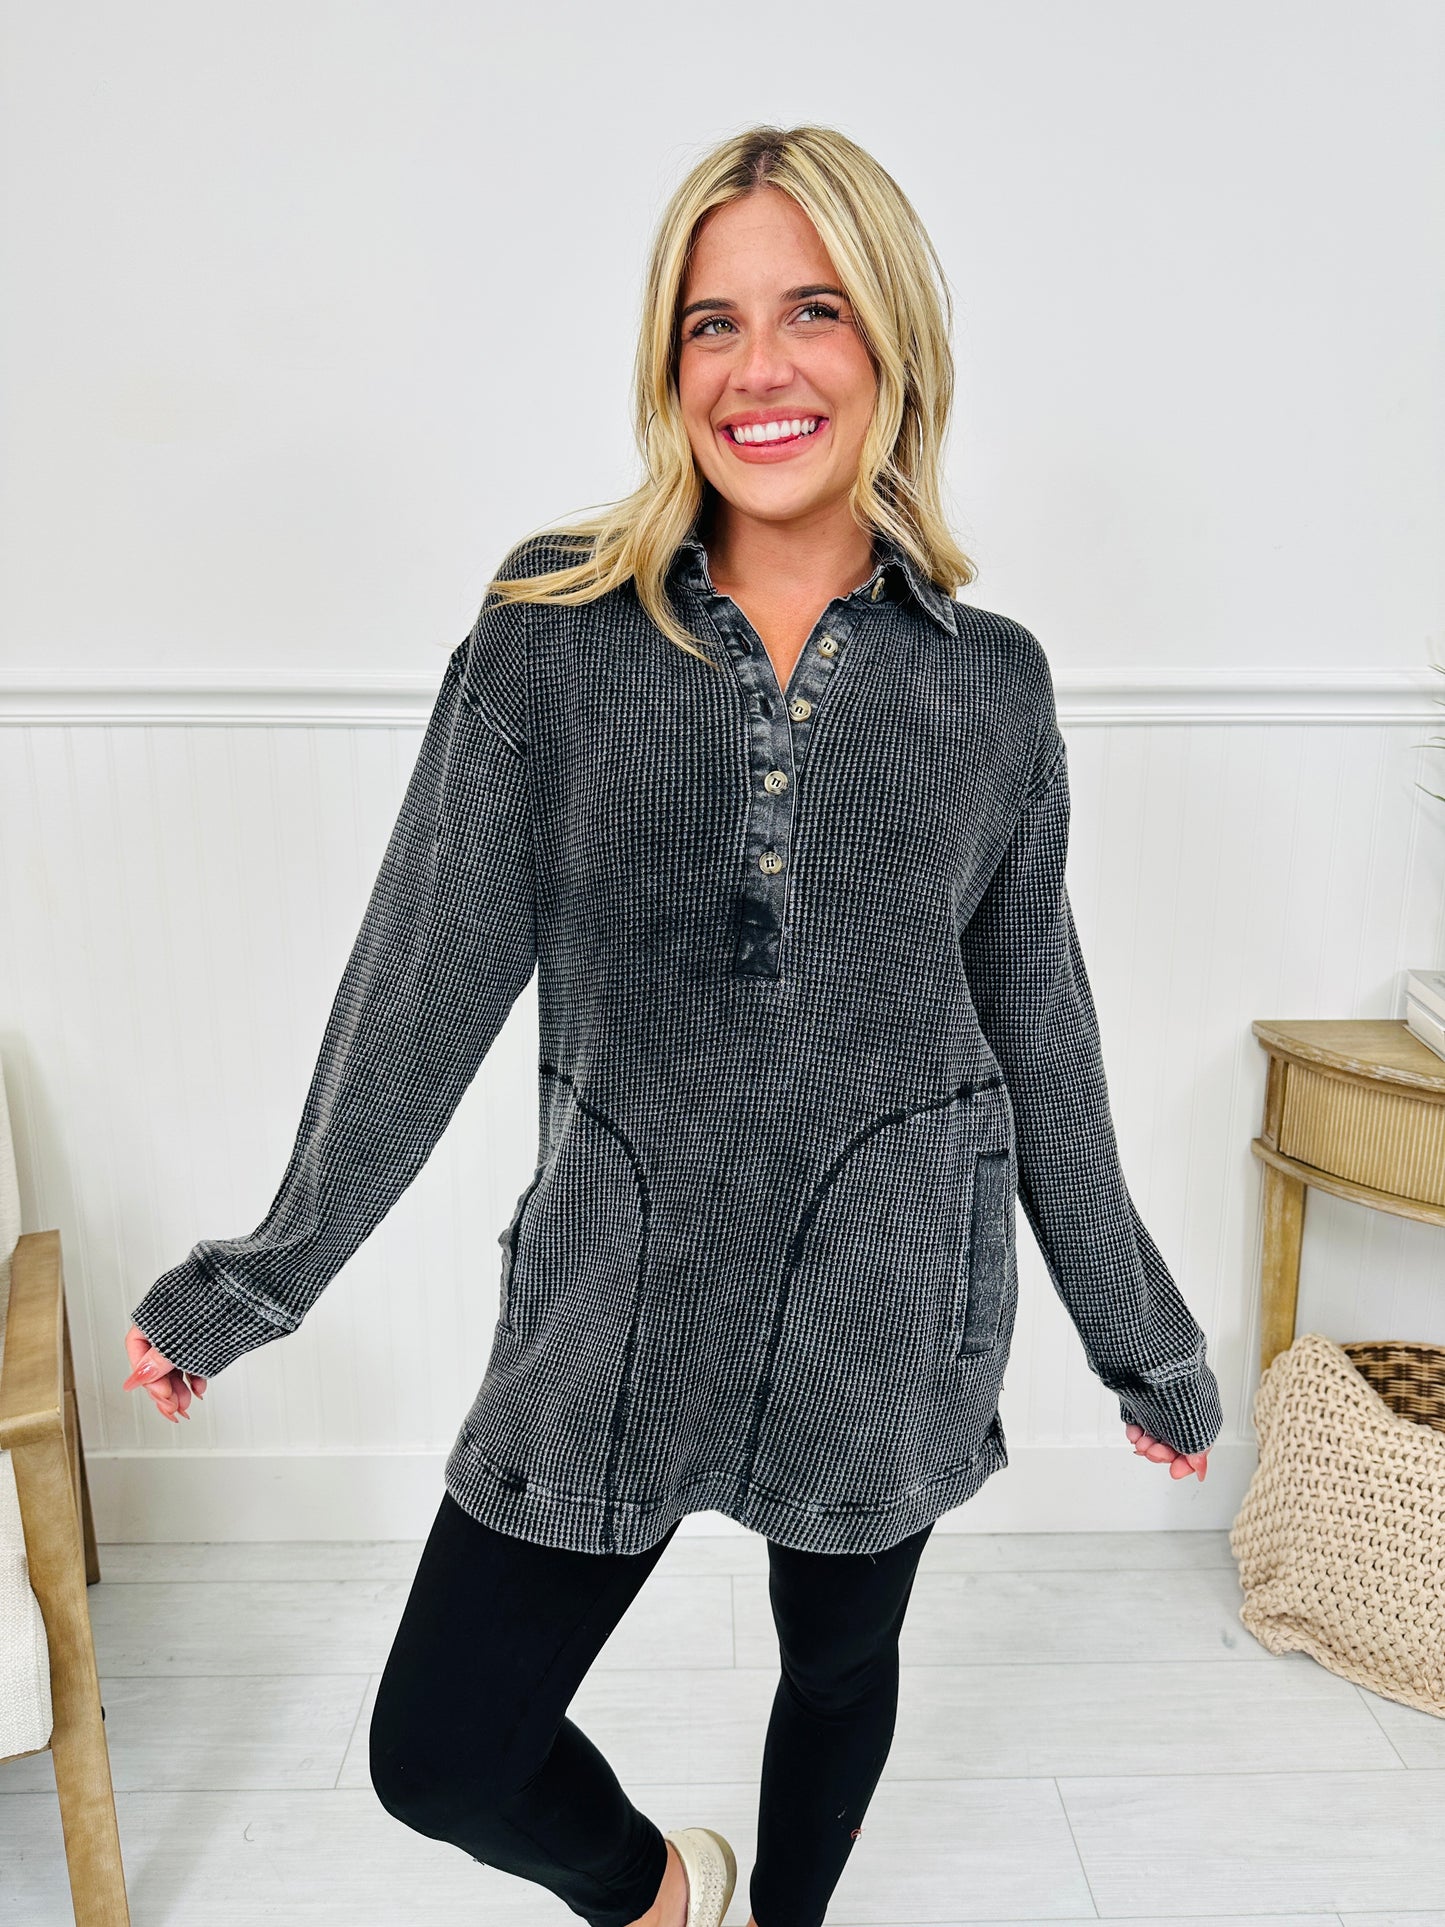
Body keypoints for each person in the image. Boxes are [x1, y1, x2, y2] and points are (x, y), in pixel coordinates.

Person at [121, 123, 1221, 1927]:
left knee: (836, 1669)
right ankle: (654, 1896)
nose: (757, 367)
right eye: (713, 323)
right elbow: (422, 977)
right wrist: (259, 1279)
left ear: (892, 344)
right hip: (621, 1277)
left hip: (893, 1278)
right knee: (444, 1749)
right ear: (667, 360)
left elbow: (1038, 1026)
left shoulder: (991, 684)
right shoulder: (553, 632)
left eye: (812, 311)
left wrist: (1142, 1340)